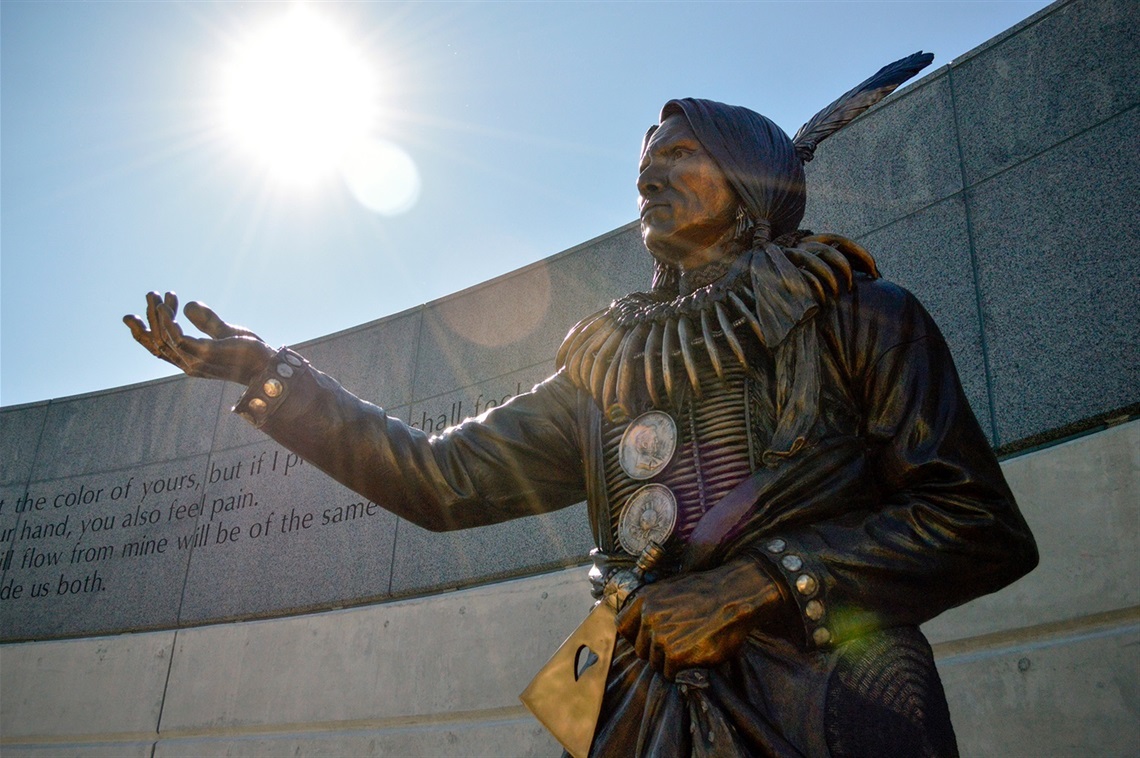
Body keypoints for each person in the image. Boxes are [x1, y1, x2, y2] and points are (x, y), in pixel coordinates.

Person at [126, 56, 1037, 758]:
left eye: (681, 156)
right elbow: (443, 481)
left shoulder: (857, 315)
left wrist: (755, 585)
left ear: (753, 178)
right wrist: (274, 378)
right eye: (644, 163)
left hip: (827, 698)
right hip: (632, 704)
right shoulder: (609, 365)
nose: (648, 178)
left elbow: (976, 522)